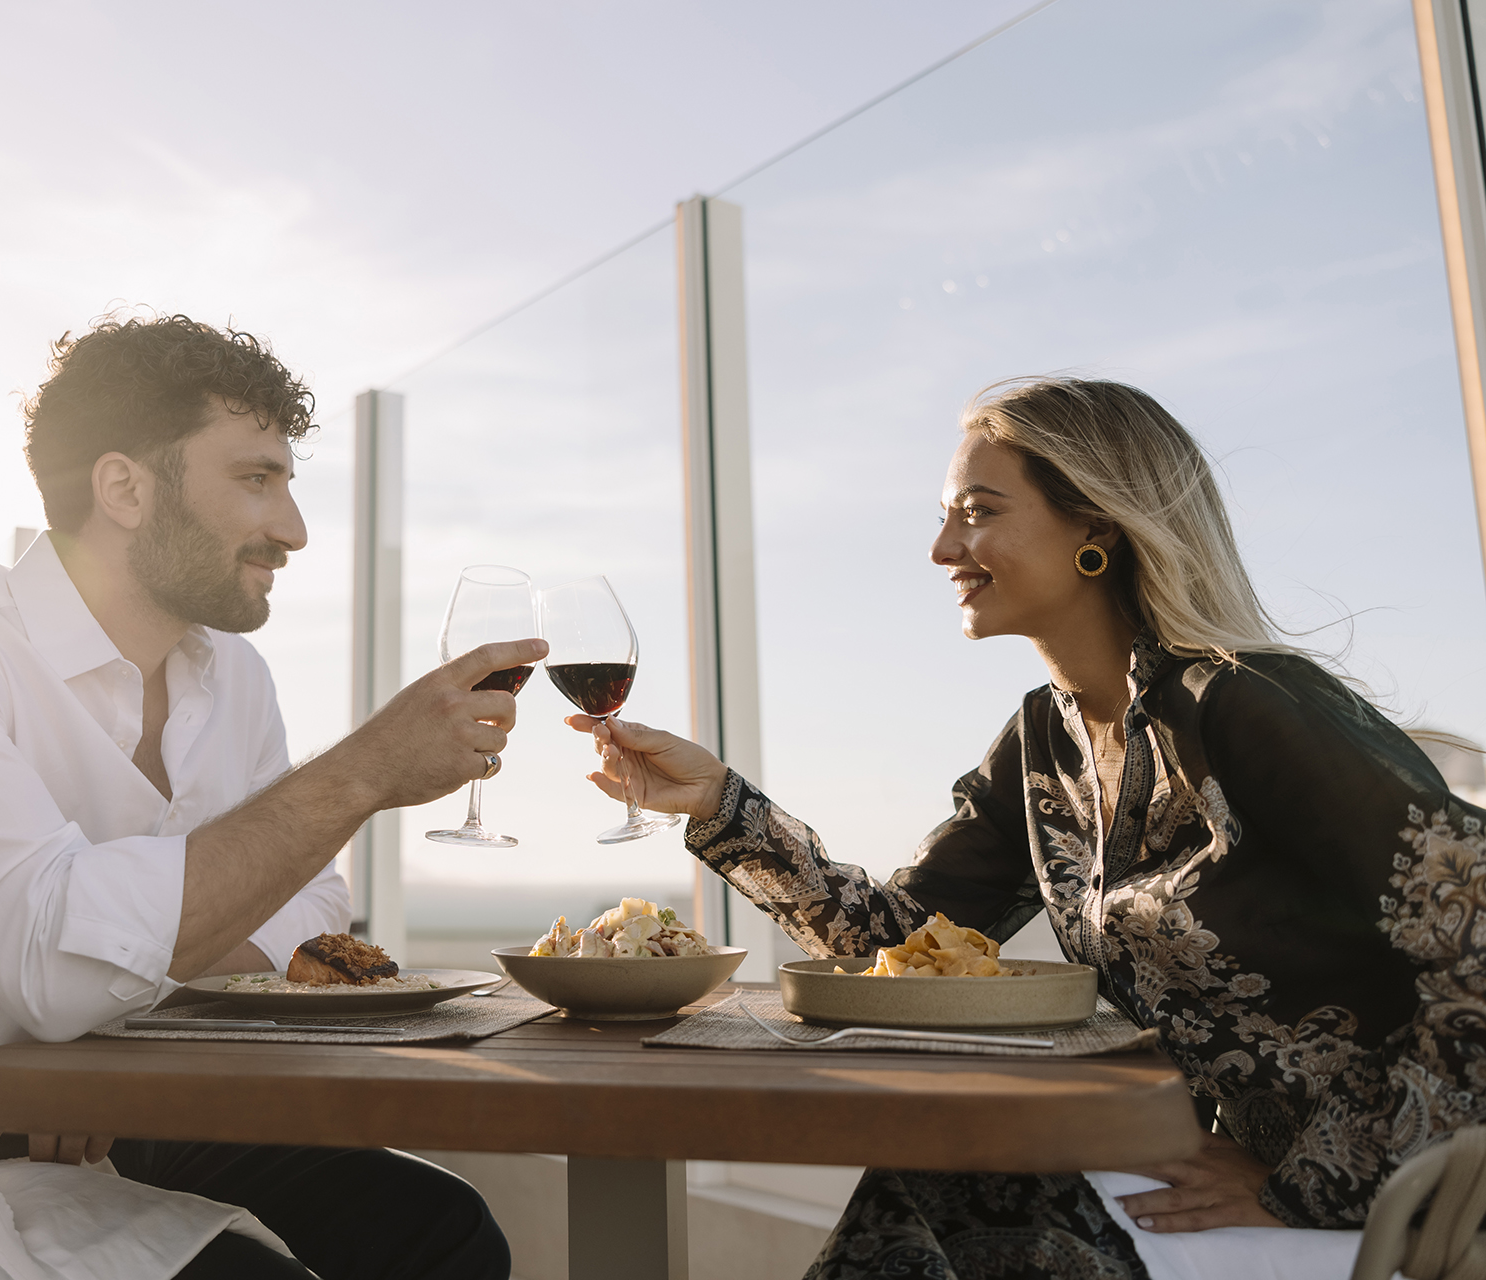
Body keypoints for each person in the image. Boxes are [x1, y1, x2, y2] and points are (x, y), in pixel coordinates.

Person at [572, 377, 1486, 1279]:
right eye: (945, 514)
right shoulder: (1046, 740)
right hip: (1224, 1178)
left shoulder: (1249, 705)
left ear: (1097, 524)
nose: (941, 548)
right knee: (941, 1174)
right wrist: (722, 806)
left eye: (977, 511)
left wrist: (1316, 1185)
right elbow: (902, 951)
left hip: (1401, 1210)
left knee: (979, 1215)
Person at [0, 313, 529, 1278]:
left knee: (439, 1233)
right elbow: (56, 964)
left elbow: (313, 915)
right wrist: (363, 770)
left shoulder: (235, 679)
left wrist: (115, 1044)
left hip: (120, 1124)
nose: (292, 529)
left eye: (289, 484)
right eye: (256, 480)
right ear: (124, 486)